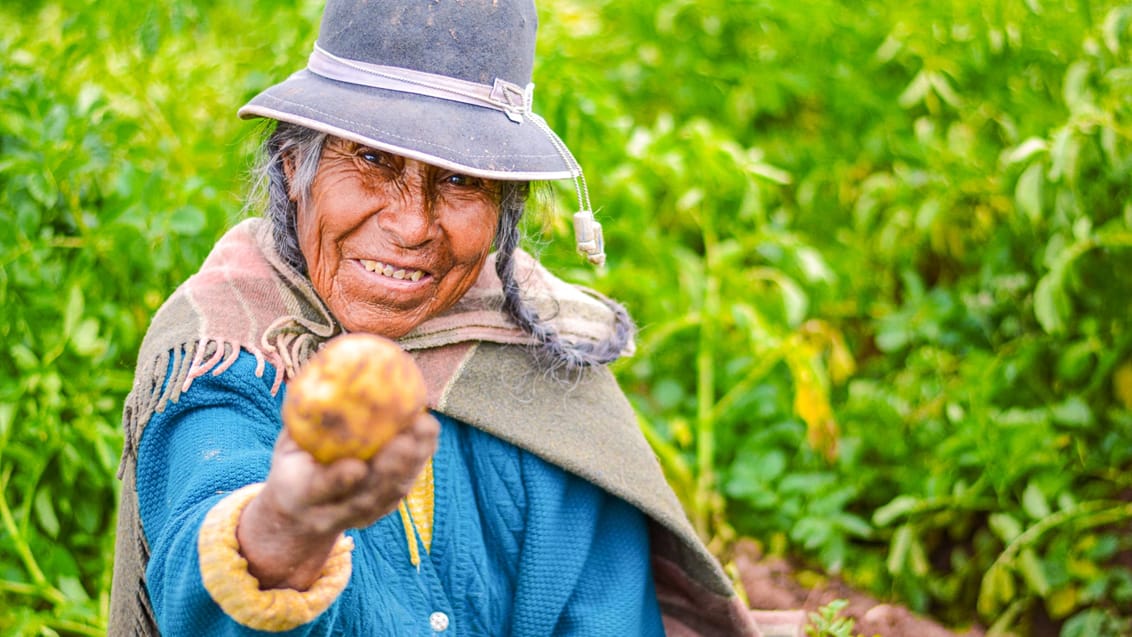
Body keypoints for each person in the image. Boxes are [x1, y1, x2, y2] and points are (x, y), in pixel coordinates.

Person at [109, 1, 767, 635]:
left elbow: (607, 617)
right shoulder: (228, 347)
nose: (413, 224)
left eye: (461, 181)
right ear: (293, 166)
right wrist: (288, 528)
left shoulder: (543, 365)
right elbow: (202, 573)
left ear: (505, 213)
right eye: (372, 160)